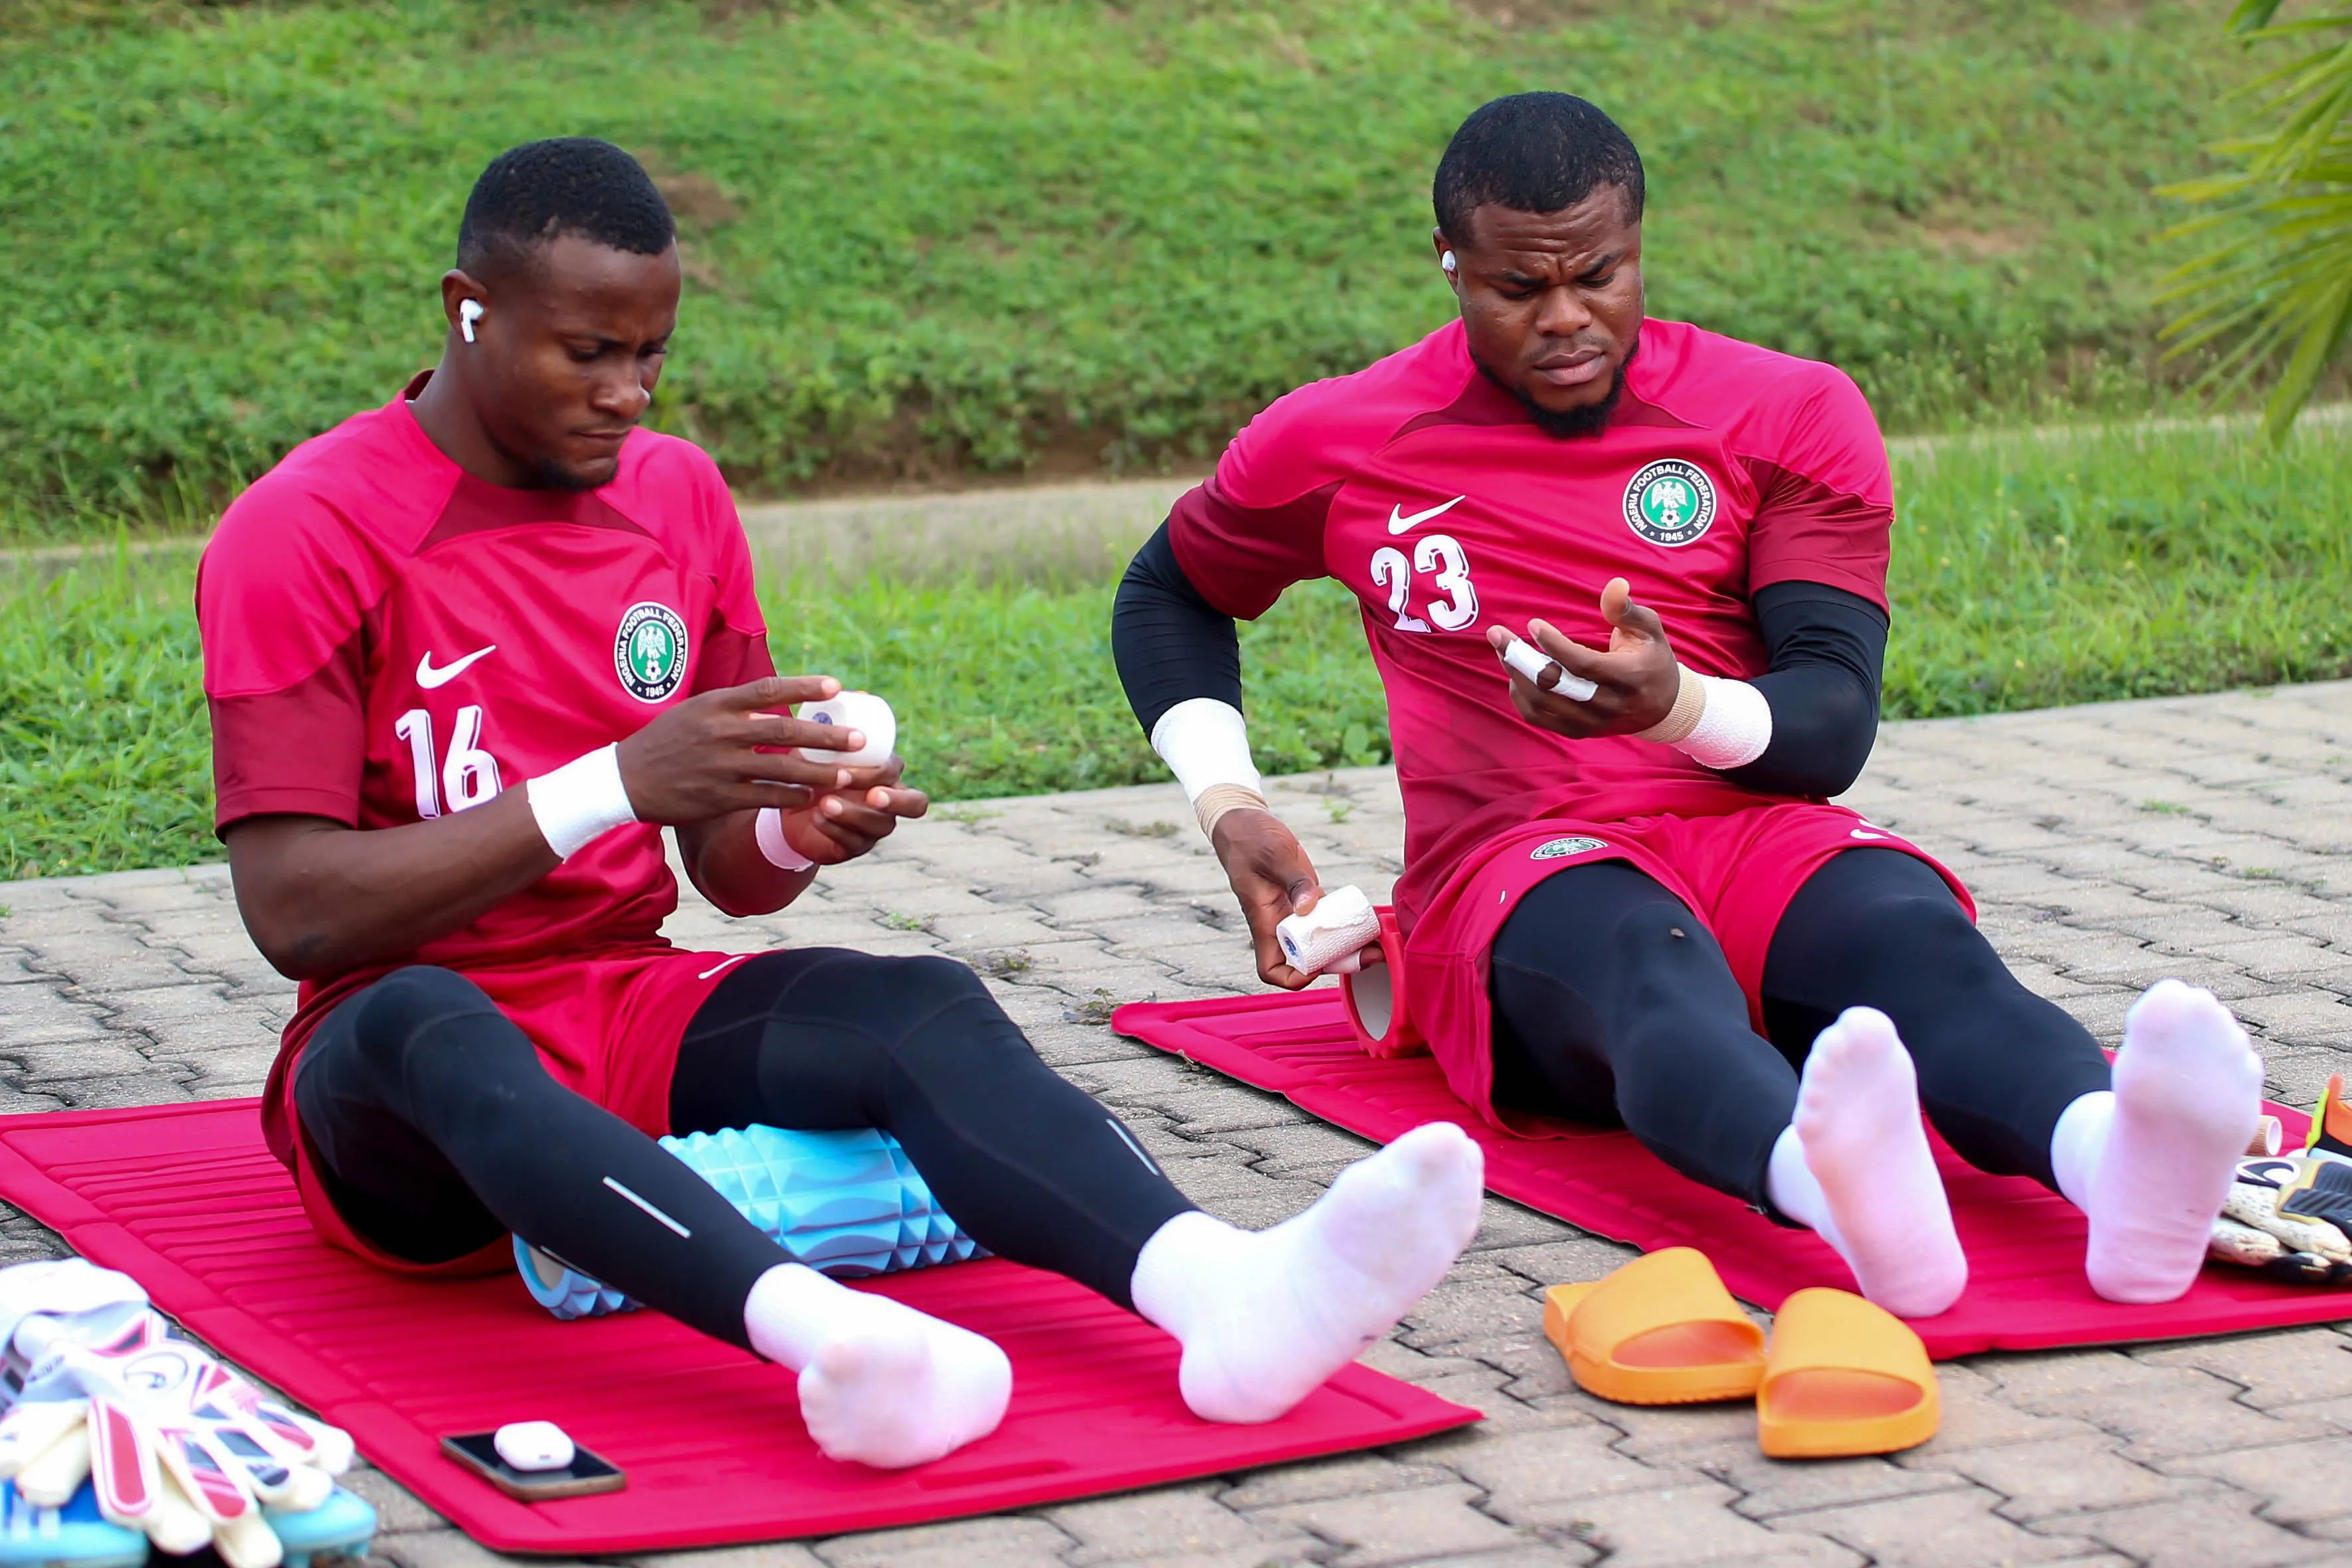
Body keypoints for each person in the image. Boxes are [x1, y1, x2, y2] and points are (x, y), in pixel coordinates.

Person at [197, 138, 1485, 1470]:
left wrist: (788, 829)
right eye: (586, 352)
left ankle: (1222, 1292)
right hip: (393, 1081)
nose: (627, 393)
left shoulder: (675, 495)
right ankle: (833, 1340)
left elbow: (727, 875)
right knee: (431, 1019)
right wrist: (616, 782)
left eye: (652, 354)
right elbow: (296, 914)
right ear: (470, 310)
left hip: (614, 1001)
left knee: (916, 1002)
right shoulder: (306, 527)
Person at [1112, 94, 2262, 1320]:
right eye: (1516, 288)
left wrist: (1673, 709)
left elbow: (1829, 727)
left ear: (1638, 242)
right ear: (1449, 262)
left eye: (1599, 274)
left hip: (1756, 826)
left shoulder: (1786, 413)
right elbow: (1169, 589)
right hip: (1518, 864)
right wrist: (1226, 801)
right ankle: (1840, 1196)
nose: (1565, 318)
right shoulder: (1340, 435)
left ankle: (2116, 1165)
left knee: (1913, 946)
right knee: (1647, 971)